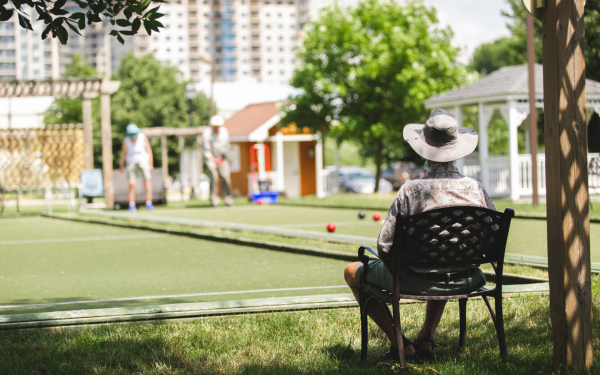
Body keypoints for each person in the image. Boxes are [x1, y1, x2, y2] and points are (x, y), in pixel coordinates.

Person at [344, 109, 496, 362]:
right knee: (444, 259)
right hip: (465, 278)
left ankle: (401, 344)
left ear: (425, 149)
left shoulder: (410, 190)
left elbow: (384, 248)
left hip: (414, 278)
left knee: (352, 271)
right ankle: (426, 336)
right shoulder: (476, 188)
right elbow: (492, 240)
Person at [119, 124, 154, 211]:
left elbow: (149, 150)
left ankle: (149, 203)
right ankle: (131, 204)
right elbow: (123, 153)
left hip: (143, 161)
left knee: (147, 182)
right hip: (131, 161)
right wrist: (121, 165)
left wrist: (151, 163)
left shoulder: (142, 137)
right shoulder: (126, 140)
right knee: (132, 184)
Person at [202, 115, 234, 207]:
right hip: (211, 159)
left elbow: (227, 147)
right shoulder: (207, 133)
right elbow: (206, 149)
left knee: (226, 178)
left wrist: (223, 158)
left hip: (222, 158)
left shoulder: (224, 132)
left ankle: (228, 200)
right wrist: (213, 159)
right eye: (215, 126)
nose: (217, 128)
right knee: (214, 179)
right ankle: (214, 201)